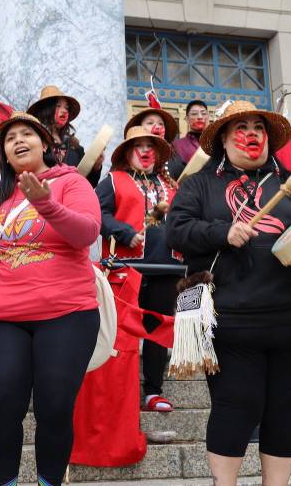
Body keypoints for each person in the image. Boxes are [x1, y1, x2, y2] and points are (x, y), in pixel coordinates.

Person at [166, 100, 291, 486]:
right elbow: (176, 231)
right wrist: (222, 232)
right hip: (232, 319)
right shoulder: (200, 184)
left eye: (259, 128)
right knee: (237, 405)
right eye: (241, 127)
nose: (252, 135)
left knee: (286, 408)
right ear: (224, 139)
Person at [0, 111, 101, 486]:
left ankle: (49, 481)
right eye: (9, 138)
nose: (18, 141)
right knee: (0, 407)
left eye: (26, 134)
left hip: (67, 313)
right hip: (4, 317)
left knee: (54, 408)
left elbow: (87, 233)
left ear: (45, 143)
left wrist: (46, 204)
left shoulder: (71, 183)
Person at [96, 125, 179, 412]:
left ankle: (153, 391)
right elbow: (96, 214)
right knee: (123, 332)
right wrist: (123, 232)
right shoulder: (113, 180)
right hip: (125, 268)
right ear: (127, 152)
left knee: (157, 329)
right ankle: (121, 391)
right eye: (138, 146)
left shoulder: (171, 185)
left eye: (151, 146)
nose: (145, 151)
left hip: (166, 267)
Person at [26, 85, 102, 186]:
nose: (64, 110)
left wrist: (96, 167)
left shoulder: (74, 145)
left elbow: (88, 183)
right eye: (58, 106)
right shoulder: (34, 140)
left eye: (67, 108)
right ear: (46, 109)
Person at [124, 105, 184, 179]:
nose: (157, 127)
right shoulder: (128, 157)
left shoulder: (174, 158)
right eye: (150, 123)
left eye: (161, 124)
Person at [172, 99, 208, 166]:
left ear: (208, 117)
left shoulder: (216, 143)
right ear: (187, 119)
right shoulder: (177, 145)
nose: (200, 117)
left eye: (203, 113)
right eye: (194, 114)